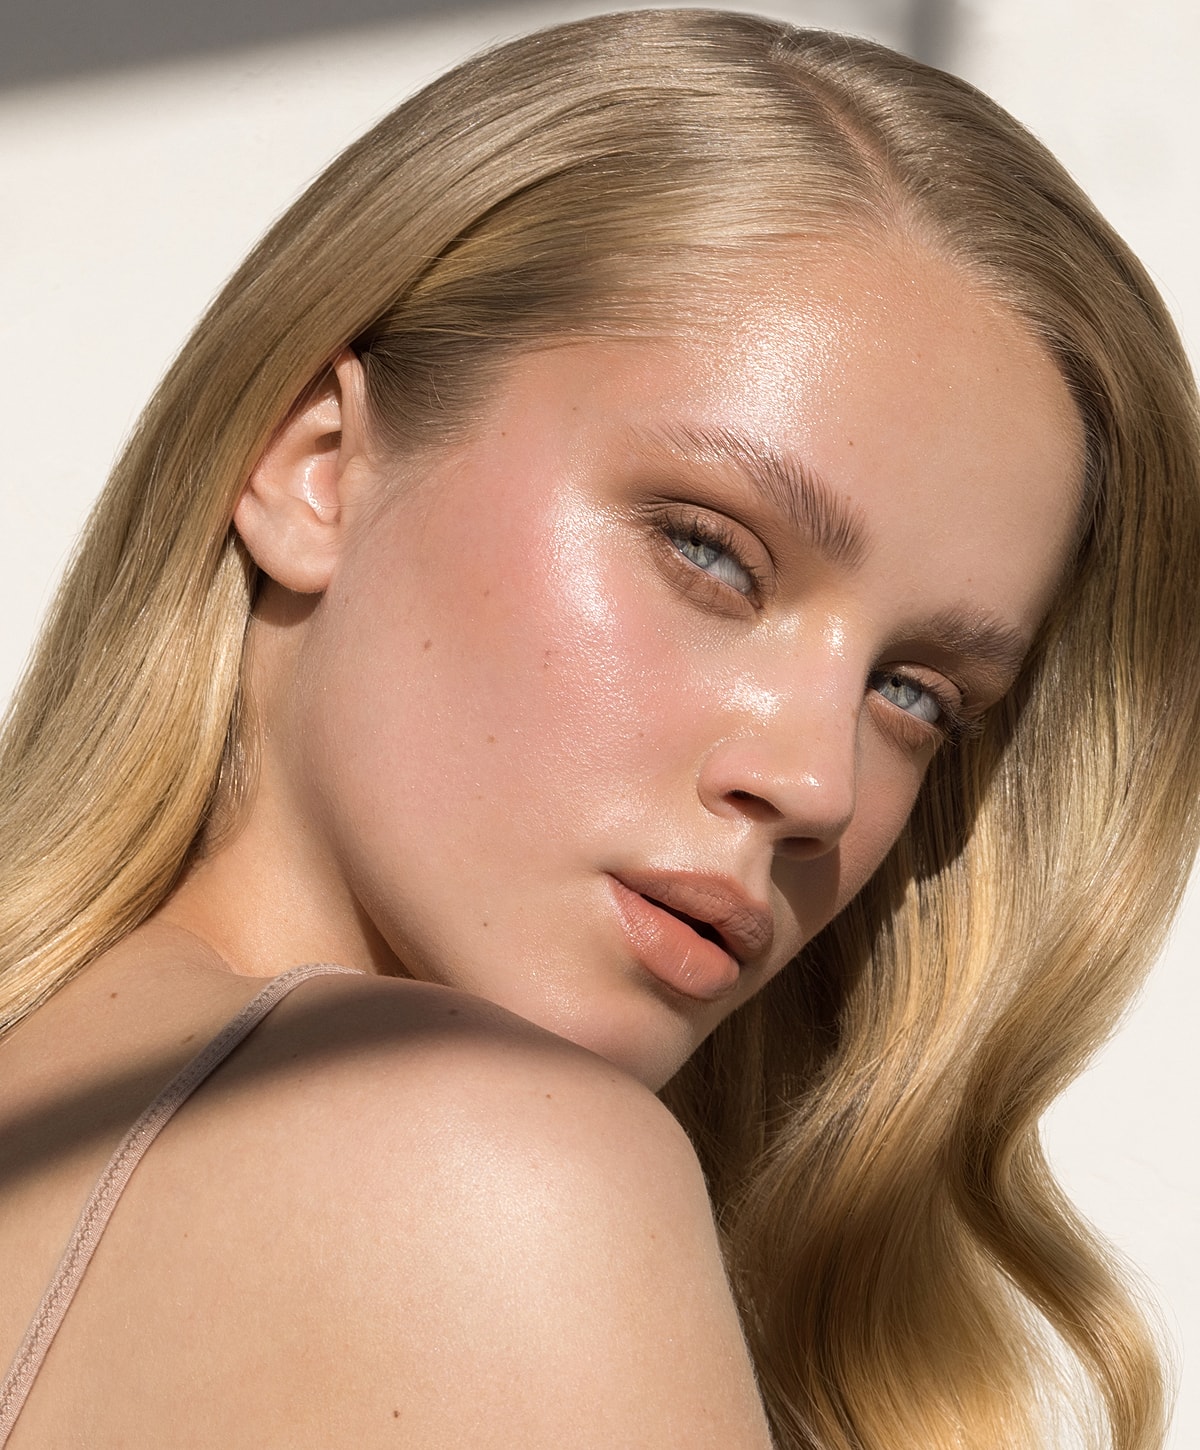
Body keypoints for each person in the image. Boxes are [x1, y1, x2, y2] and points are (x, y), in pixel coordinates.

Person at [0, 8, 1196, 1447]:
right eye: (711, 552)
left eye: (918, 693)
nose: (816, 781)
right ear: (318, 471)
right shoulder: (498, 1168)